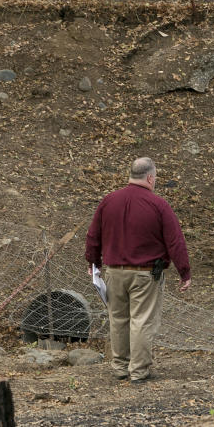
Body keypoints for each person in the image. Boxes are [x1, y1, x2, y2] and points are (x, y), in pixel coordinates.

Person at [84, 157, 191, 384]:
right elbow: (175, 241)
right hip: (145, 274)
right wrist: (184, 272)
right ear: (150, 177)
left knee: (118, 319)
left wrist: (94, 265)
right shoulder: (158, 205)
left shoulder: (108, 201)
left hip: (114, 272)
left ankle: (120, 366)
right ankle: (139, 370)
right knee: (141, 321)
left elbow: (93, 236)